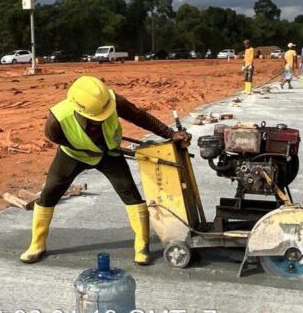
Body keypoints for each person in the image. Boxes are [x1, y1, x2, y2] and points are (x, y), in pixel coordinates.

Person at [20, 76, 191, 266]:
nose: (102, 120)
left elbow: (139, 116)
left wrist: (170, 134)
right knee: (49, 193)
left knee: (130, 193)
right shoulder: (57, 121)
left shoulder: (112, 101)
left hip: (109, 153)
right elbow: (56, 139)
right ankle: (37, 245)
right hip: (72, 156)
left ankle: (142, 246)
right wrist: (86, 148)